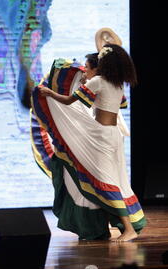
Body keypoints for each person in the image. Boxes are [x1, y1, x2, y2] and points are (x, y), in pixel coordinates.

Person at [36, 44, 146, 242]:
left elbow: (70, 101)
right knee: (115, 179)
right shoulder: (117, 82)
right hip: (114, 135)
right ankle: (114, 225)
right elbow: (120, 104)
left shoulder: (98, 81)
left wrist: (50, 94)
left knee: (105, 182)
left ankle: (128, 229)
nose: (86, 70)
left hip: (101, 136)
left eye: (88, 66)